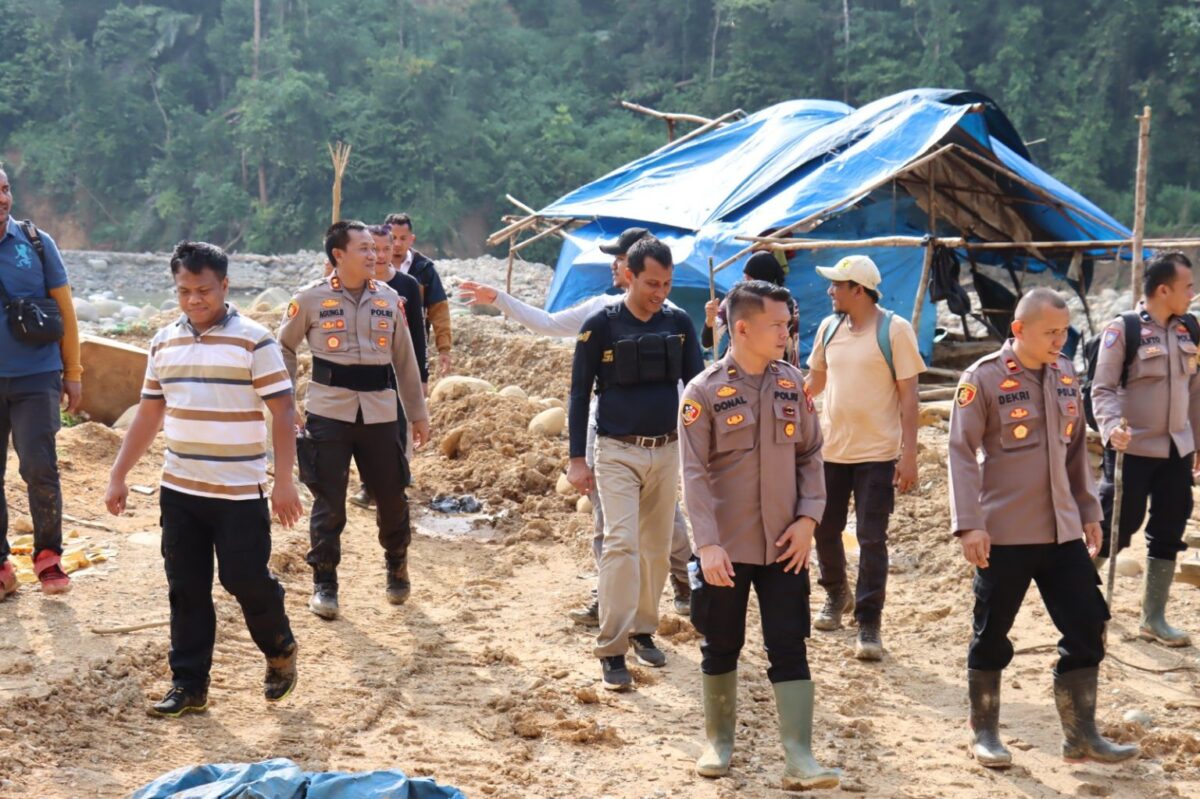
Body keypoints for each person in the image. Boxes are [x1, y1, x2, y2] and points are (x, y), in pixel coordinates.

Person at [104, 241, 301, 717]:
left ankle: (279, 647)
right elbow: (150, 413)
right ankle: (189, 684)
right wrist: (119, 474)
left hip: (239, 490)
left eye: (204, 290)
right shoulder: (163, 341)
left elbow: (283, 410)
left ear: (225, 286)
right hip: (181, 489)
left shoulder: (255, 340)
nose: (195, 299)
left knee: (244, 578)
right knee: (186, 586)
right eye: (185, 291)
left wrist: (284, 481)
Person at [458, 226, 694, 623]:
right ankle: (609, 600)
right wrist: (499, 299)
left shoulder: (670, 319)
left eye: (618, 257)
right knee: (608, 521)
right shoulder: (600, 313)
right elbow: (555, 337)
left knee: (665, 520)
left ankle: (686, 583)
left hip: (659, 435)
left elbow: (689, 382)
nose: (613, 265)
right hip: (610, 432)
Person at [949, 288, 1138, 768]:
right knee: (992, 633)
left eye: (1064, 330)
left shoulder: (1066, 373)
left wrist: (1090, 512)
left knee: (1088, 623)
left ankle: (1081, 735)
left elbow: (1076, 451)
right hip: (1004, 532)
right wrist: (969, 525)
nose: (1060, 339)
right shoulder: (984, 379)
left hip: (1061, 532)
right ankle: (985, 732)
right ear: (1019, 330)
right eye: (1051, 332)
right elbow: (961, 453)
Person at [680, 280, 839, 791]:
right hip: (724, 547)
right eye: (776, 325)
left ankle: (799, 755)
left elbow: (812, 453)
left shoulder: (793, 384)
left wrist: (809, 519)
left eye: (787, 324)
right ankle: (718, 743)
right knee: (721, 644)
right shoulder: (702, 391)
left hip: (784, 546)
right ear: (742, 328)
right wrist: (706, 544)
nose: (786, 332)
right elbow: (694, 473)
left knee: (789, 645)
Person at [566, 236, 704, 690]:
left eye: (666, 283)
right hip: (616, 450)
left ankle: (645, 629)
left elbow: (697, 389)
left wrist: (703, 449)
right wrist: (576, 459)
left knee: (656, 547)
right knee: (621, 544)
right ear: (628, 274)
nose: (659, 292)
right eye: (650, 282)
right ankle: (612, 647)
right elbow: (579, 393)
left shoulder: (680, 323)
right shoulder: (600, 325)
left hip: (666, 451)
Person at [279, 221, 430, 619]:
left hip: (380, 413)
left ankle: (396, 563)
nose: (374, 255)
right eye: (363, 249)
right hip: (328, 412)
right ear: (338, 256)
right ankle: (324, 583)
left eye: (375, 249)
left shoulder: (390, 298)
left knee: (392, 495)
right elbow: (283, 347)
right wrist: (286, 400)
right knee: (328, 501)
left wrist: (417, 415)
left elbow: (405, 360)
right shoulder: (310, 299)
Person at [804, 255, 925, 660]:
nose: (830, 291)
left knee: (873, 538)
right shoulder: (829, 327)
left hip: (878, 454)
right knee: (824, 528)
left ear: (858, 289)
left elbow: (910, 396)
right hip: (832, 450)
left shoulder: (895, 330)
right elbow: (815, 382)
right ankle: (836, 594)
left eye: (838, 285)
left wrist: (909, 455)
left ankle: (869, 621)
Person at [1092, 251, 1199, 647]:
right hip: (1131, 450)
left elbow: (1195, 391)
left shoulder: (1190, 329)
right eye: (1188, 287)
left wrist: (1197, 443)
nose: (1193, 293)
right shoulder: (1124, 330)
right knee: (1114, 527)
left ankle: (1153, 618)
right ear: (1163, 289)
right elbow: (1102, 389)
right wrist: (1109, 430)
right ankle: (1082, 603)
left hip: (1176, 450)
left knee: (1169, 529)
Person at [0, 166, 82, 598]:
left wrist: (74, 372)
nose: (2, 198)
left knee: (39, 468)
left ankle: (48, 558)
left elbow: (65, 312)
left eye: (6, 189)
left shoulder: (36, 243)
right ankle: (1, 566)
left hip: (37, 377)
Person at [348, 224, 428, 510]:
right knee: (364, 427)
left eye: (385, 249)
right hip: (366, 371)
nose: (380, 255)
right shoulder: (353, 285)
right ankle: (367, 486)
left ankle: (397, 484)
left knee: (398, 429)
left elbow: (417, 336)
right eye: (373, 249)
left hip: (398, 370)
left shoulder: (405, 286)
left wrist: (422, 376)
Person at [702, 250, 800, 365]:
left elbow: (792, 346)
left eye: (749, 279)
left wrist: (793, 377)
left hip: (773, 371)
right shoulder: (734, 300)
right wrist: (710, 319)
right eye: (745, 278)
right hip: (738, 370)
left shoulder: (787, 304)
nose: (745, 282)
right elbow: (708, 342)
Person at [385, 213, 451, 381]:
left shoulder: (424, 269)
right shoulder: (374, 266)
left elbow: (439, 309)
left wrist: (444, 349)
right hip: (380, 342)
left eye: (403, 238)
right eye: (393, 238)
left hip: (414, 342)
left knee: (414, 392)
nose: (398, 244)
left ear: (411, 239)